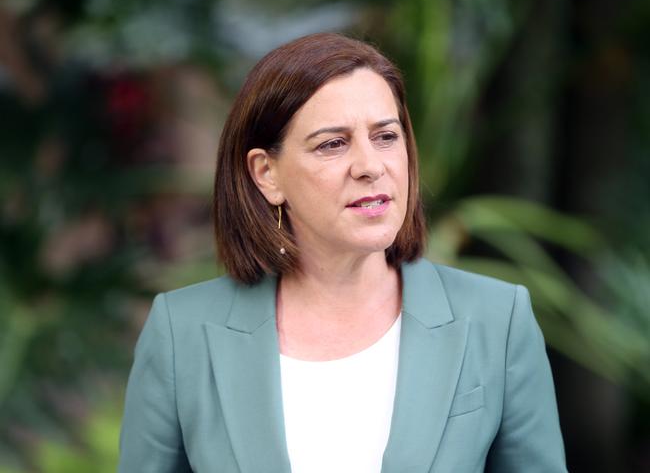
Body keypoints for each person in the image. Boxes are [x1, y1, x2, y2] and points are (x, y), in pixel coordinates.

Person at [118, 33, 567, 473]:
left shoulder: (497, 320)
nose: (370, 166)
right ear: (266, 174)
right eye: (332, 144)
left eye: (386, 136)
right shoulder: (182, 332)